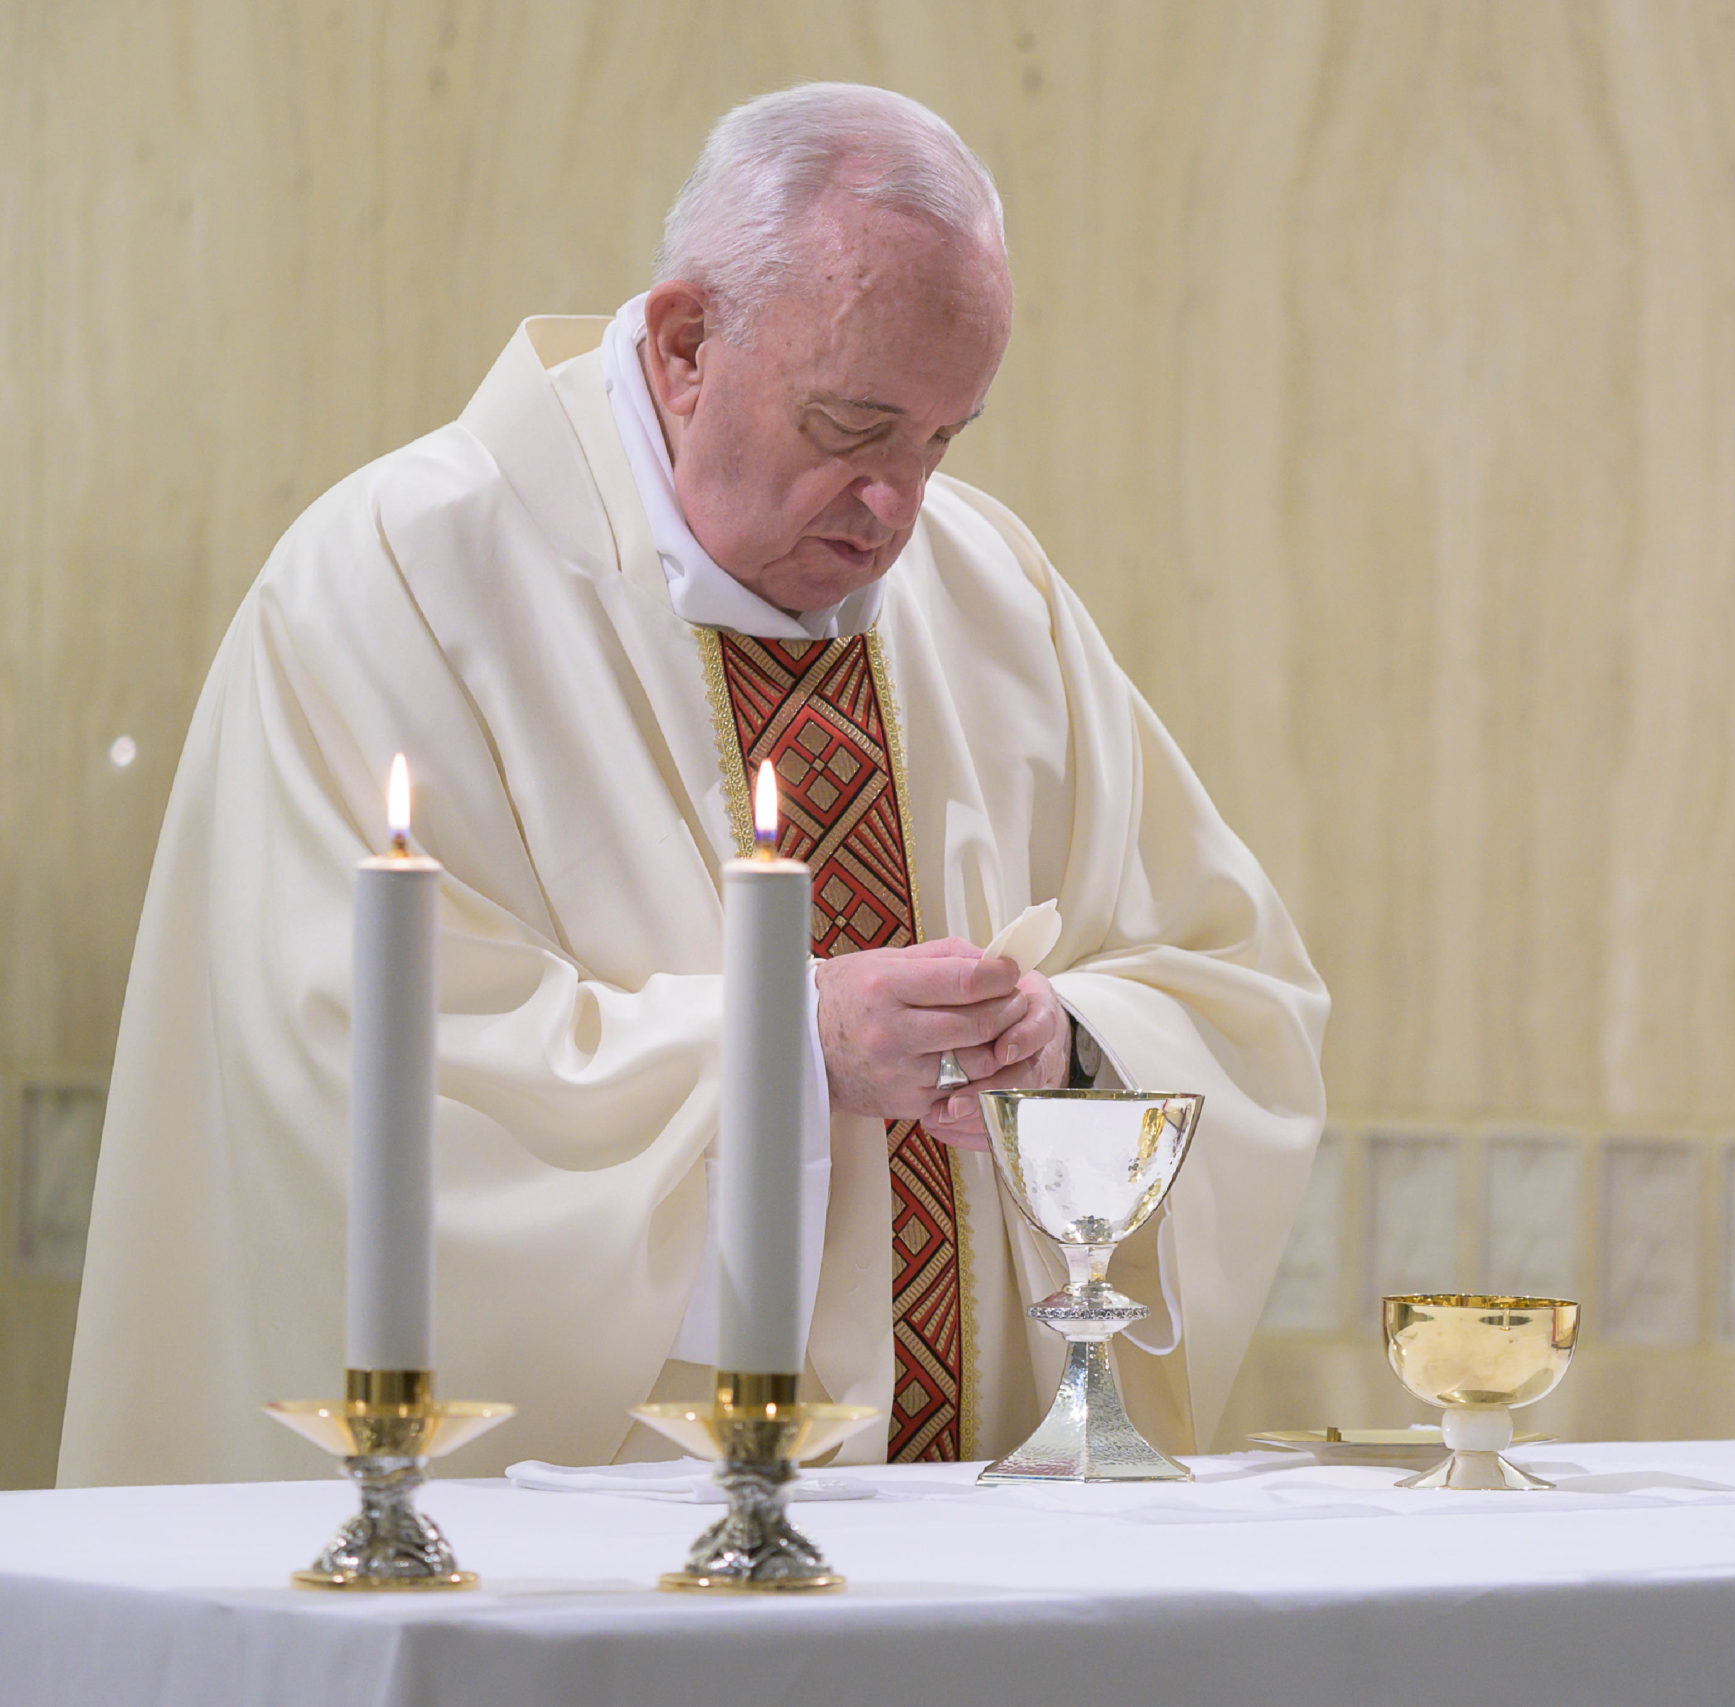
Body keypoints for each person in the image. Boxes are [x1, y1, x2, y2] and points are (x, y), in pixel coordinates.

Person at [59, 83, 1327, 1485]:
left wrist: (1067, 1048)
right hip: (582, 1555)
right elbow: (343, 1084)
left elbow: (1239, 992)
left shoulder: (996, 591)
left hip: (974, 1530)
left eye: (940, 440)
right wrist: (795, 1048)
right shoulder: (396, 582)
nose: (898, 509)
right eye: (853, 428)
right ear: (683, 349)